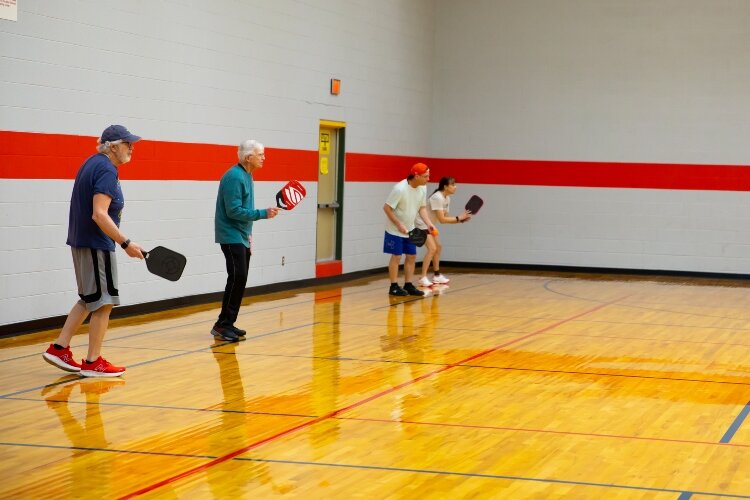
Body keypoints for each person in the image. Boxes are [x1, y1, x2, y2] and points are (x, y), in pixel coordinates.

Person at [42, 125, 145, 378]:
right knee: (104, 303)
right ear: (112, 146)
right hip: (96, 244)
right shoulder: (107, 169)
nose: (131, 147)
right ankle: (92, 362)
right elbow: (99, 214)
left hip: (83, 242)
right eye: (127, 143)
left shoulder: (92, 163)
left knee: (90, 299)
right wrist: (125, 243)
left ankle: (59, 348)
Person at [213, 139, 279, 341]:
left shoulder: (247, 175)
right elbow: (233, 211)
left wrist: (249, 235)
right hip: (230, 235)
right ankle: (222, 325)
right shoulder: (235, 176)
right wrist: (263, 213)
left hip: (241, 236)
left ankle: (228, 323)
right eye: (261, 155)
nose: (264, 158)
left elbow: (242, 210)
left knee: (240, 279)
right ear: (249, 157)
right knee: (237, 278)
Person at [383, 163, 436, 296]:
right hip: (395, 229)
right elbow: (387, 208)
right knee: (396, 256)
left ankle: (408, 285)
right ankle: (393, 286)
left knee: (412, 256)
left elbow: (422, 208)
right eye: (425, 176)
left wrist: (429, 223)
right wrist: (398, 224)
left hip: (410, 228)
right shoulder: (399, 189)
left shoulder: (422, 188)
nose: (428, 179)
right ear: (416, 176)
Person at [415, 176, 471, 287]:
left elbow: (445, 219)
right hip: (421, 224)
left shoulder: (447, 198)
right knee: (432, 248)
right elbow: (442, 219)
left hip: (430, 225)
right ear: (445, 186)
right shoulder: (437, 197)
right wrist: (458, 218)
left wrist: (460, 220)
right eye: (453, 185)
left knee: (438, 247)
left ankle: (436, 275)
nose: (456, 187)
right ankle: (423, 277)